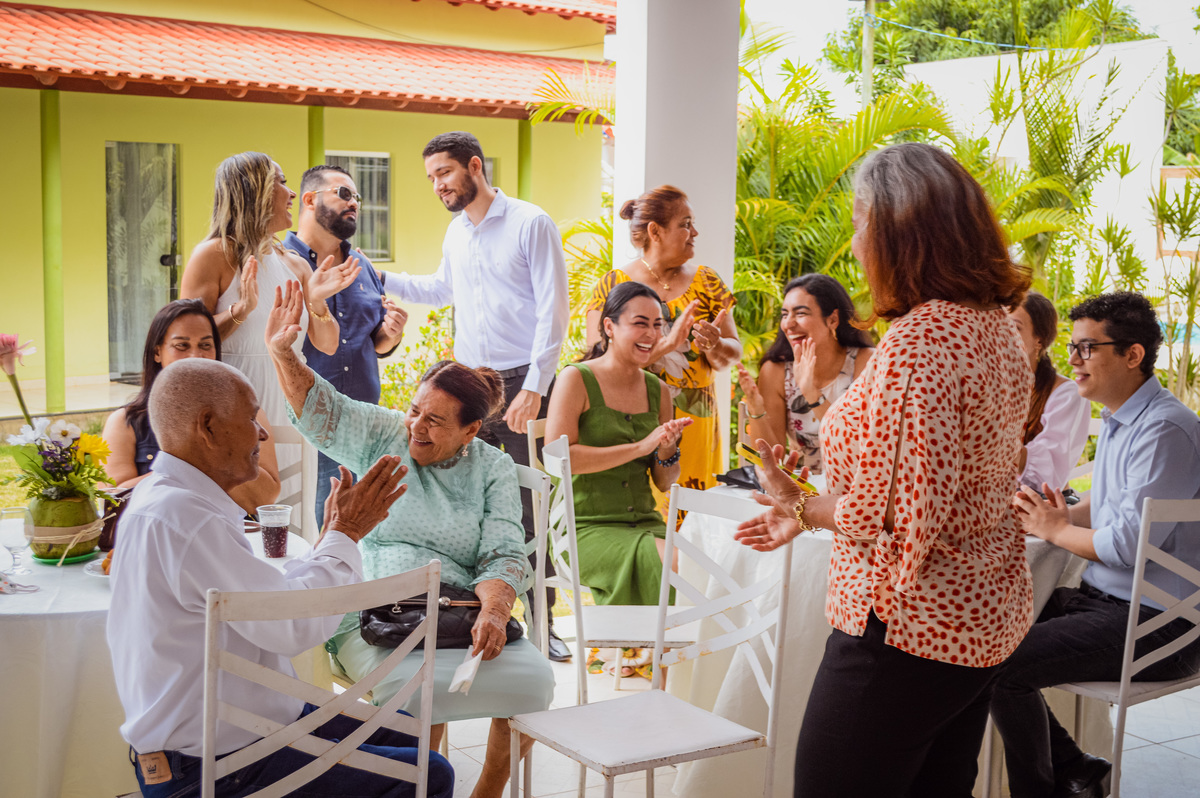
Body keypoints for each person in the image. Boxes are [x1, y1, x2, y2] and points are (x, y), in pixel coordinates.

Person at [734, 142, 1035, 797]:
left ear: (900, 234)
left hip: (903, 624)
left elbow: (895, 514)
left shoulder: (918, 343)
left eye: (860, 223)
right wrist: (802, 499)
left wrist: (799, 508)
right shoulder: (996, 328)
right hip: (978, 617)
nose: (855, 241)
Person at [106, 357, 453, 798]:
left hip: (240, 730)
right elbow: (294, 625)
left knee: (407, 736)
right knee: (430, 773)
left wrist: (333, 538)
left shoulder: (171, 499)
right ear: (208, 427)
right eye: (252, 418)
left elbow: (277, 599)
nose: (264, 433)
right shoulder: (187, 519)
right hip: (211, 767)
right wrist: (345, 534)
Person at [264, 283, 554, 798]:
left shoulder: (493, 468)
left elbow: (504, 552)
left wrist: (494, 609)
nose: (415, 426)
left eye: (435, 421)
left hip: (458, 610)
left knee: (530, 684)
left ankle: (486, 789)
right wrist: (283, 352)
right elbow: (320, 409)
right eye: (415, 410)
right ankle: (424, 785)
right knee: (415, 699)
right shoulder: (385, 432)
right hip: (378, 607)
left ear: (470, 432)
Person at [992, 291, 1200, 798]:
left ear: (1133, 354)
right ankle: (1075, 769)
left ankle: (1047, 786)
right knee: (979, 638)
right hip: (1109, 604)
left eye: (1089, 348)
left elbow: (1127, 545)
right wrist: (1059, 516)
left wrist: (1054, 529)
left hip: (1160, 623)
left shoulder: (1166, 429)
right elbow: (1112, 509)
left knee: (999, 664)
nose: (1074, 360)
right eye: (1073, 348)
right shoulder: (1119, 418)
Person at [379, 131, 571, 662]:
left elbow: (555, 311)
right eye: (431, 178)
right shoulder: (456, 234)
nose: (437, 185)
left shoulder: (531, 223)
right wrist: (378, 277)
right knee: (461, 504)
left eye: (444, 173)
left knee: (527, 508)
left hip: (520, 386)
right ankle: (467, 615)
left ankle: (544, 624)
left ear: (474, 167)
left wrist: (534, 387)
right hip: (469, 385)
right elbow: (441, 290)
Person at [180, 151, 360, 430]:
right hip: (234, 408)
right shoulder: (213, 255)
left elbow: (328, 344)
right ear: (254, 191)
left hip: (294, 409)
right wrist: (239, 311)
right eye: (281, 182)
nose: (291, 193)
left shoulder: (296, 264)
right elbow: (185, 344)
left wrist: (316, 301)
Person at [585, 185, 740, 502]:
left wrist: (714, 345)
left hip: (696, 424)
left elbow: (733, 354)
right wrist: (667, 344)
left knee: (696, 527)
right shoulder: (612, 286)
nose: (694, 232)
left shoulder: (707, 282)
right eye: (685, 224)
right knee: (645, 519)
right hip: (633, 421)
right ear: (655, 231)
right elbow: (597, 364)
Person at [546, 281, 691, 606]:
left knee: (701, 566)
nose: (652, 334)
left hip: (645, 524)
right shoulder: (576, 379)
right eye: (640, 323)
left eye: (658, 325)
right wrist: (642, 446)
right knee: (672, 564)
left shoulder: (660, 392)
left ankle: (652, 652)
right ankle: (645, 653)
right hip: (582, 529)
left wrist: (666, 451)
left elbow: (665, 482)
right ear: (609, 326)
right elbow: (560, 459)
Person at [283, 164, 408, 526]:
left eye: (357, 197)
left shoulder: (362, 264)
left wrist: (392, 333)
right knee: (307, 533)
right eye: (343, 194)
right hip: (307, 428)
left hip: (364, 428)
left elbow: (376, 345)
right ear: (309, 199)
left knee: (360, 535)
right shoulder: (282, 262)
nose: (353, 203)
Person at [102, 299, 280, 516]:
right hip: (161, 536)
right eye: (181, 346)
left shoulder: (250, 414)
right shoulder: (125, 421)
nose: (196, 356)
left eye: (205, 345)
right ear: (157, 352)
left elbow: (264, 499)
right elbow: (113, 500)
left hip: (231, 536)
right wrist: (191, 463)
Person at [736, 274, 874, 473]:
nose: (788, 324)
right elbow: (773, 458)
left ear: (833, 320)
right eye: (784, 315)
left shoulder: (867, 362)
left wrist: (810, 392)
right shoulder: (776, 371)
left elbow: (854, 445)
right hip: (803, 488)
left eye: (800, 313)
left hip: (857, 483)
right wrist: (756, 409)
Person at [1010, 291, 1092, 491]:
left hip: (1046, 506)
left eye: (1014, 327)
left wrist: (987, 440)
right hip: (997, 503)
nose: (1003, 335)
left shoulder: (1066, 394)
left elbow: (1049, 474)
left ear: (1039, 340)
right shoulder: (992, 386)